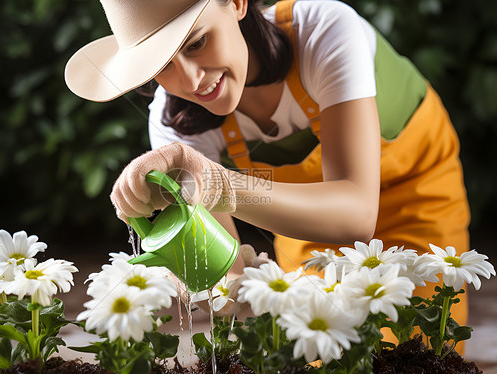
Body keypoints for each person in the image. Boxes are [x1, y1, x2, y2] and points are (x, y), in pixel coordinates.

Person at [65, 0, 471, 352]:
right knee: (320, 345)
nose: (190, 80)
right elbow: (229, 279)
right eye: (163, 66)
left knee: (423, 342)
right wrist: (212, 277)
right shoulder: (175, 126)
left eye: (196, 43)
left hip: (413, 188)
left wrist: (223, 186)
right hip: (310, 219)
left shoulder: (324, 31)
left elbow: (356, 215)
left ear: (237, 3)